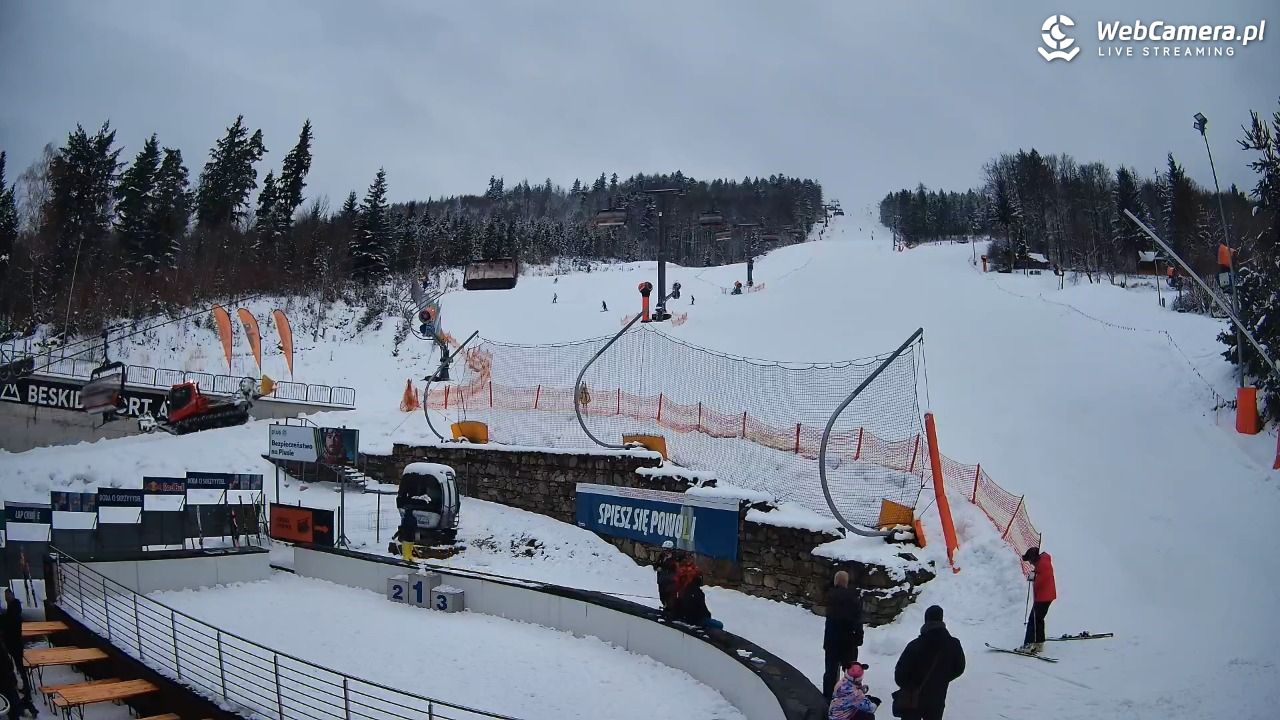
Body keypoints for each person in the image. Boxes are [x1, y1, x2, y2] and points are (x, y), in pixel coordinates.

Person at [893, 605, 965, 720]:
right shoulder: (953, 644)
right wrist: (941, 679)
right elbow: (959, 668)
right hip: (937, 699)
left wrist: (911, 685)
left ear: (926, 620)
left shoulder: (915, 645)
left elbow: (900, 676)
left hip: (913, 700)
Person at [823, 570, 864, 702]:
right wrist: (859, 638)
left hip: (831, 640)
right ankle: (848, 698)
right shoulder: (854, 598)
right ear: (847, 583)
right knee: (850, 673)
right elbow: (858, 621)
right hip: (848, 641)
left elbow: (827, 587)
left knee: (830, 672)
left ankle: (828, 699)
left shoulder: (830, 595)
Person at [1019, 546, 1056, 653]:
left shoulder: (1042, 565)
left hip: (1043, 597)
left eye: (1030, 560)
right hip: (1047, 596)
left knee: (1033, 620)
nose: (1030, 563)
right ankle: (1039, 643)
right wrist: (1035, 573)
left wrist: (1034, 577)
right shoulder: (1043, 562)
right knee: (1039, 620)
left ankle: (1029, 644)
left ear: (1034, 558)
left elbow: (1039, 583)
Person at [655, 543, 680, 615]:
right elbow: (656, 564)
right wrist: (657, 567)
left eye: (666, 550)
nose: (665, 551)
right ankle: (665, 606)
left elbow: (675, 570)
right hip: (661, 580)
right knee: (662, 595)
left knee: (670, 596)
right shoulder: (662, 556)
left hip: (670, 581)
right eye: (664, 549)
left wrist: (665, 569)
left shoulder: (675, 559)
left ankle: (671, 610)